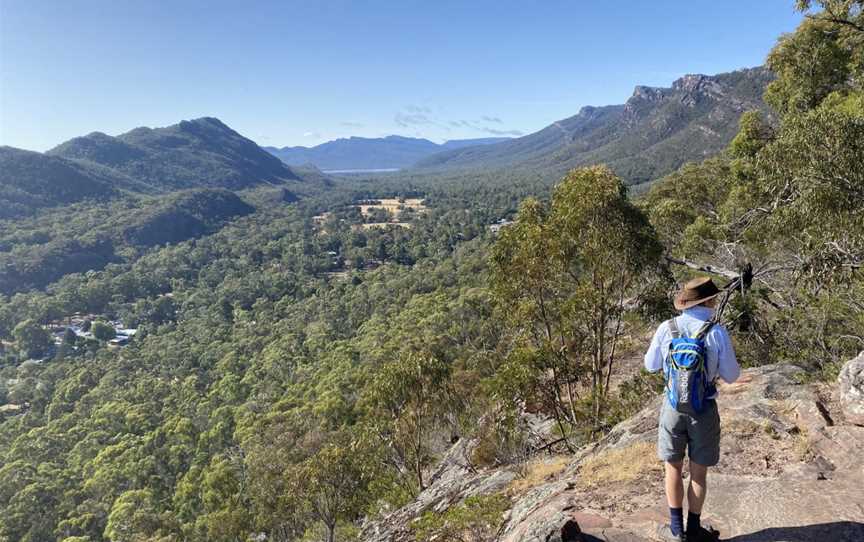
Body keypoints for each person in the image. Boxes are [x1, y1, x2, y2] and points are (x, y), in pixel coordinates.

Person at [644, 277, 741, 542]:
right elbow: (732, 375)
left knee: (672, 468)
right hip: (704, 408)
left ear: (686, 302)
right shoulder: (716, 331)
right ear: (708, 301)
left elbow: (650, 365)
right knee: (698, 472)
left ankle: (677, 531)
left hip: (673, 407)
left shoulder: (668, 327)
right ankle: (695, 530)